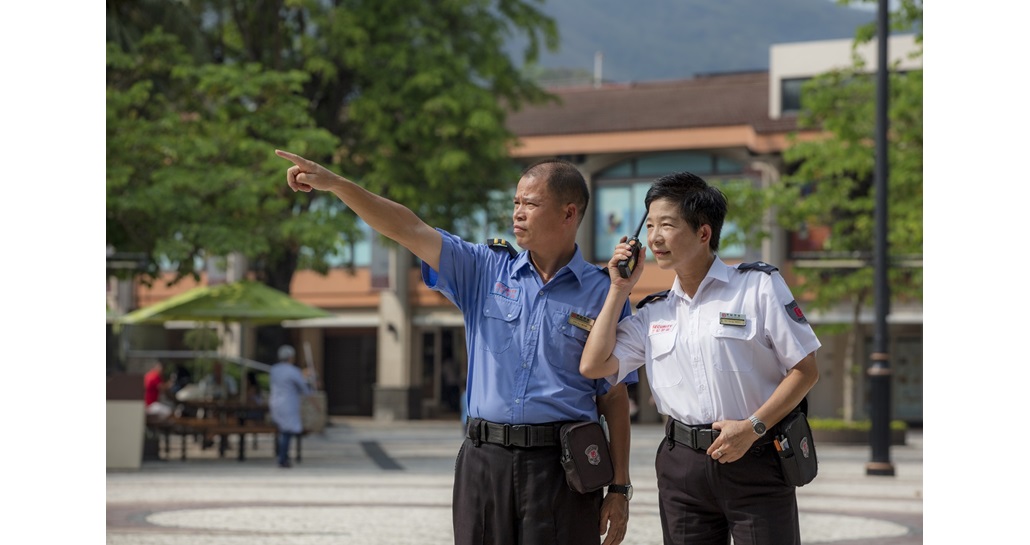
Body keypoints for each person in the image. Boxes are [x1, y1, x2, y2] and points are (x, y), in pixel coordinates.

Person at [276, 149, 637, 545]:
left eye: (530, 204)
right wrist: (337, 185)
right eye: (515, 202)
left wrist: (619, 489)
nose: (517, 213)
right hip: (485, 460)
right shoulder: (484, 269)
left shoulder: (606, 292)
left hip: (562, 470)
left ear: (569, 214)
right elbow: (408, 228)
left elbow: (613, 397)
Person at [580, 171, 821, 545]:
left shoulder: (757, 287)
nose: (654, 237)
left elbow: (805, 370)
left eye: (667, 225)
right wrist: (618, 288)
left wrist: (753, 427)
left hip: (755, 456)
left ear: (703, 233)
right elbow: (593, 365)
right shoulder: (655, 312)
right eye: (650, 225)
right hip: (682, 468)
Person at [268, 345, 312, 468]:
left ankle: (282, 456)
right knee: (286, 432)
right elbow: (304, 388)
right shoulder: (293, 371)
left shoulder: (274, 369)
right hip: (288, 404)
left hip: (275, 403)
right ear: (290, 357)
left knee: (282, 430)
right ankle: (283, 458)